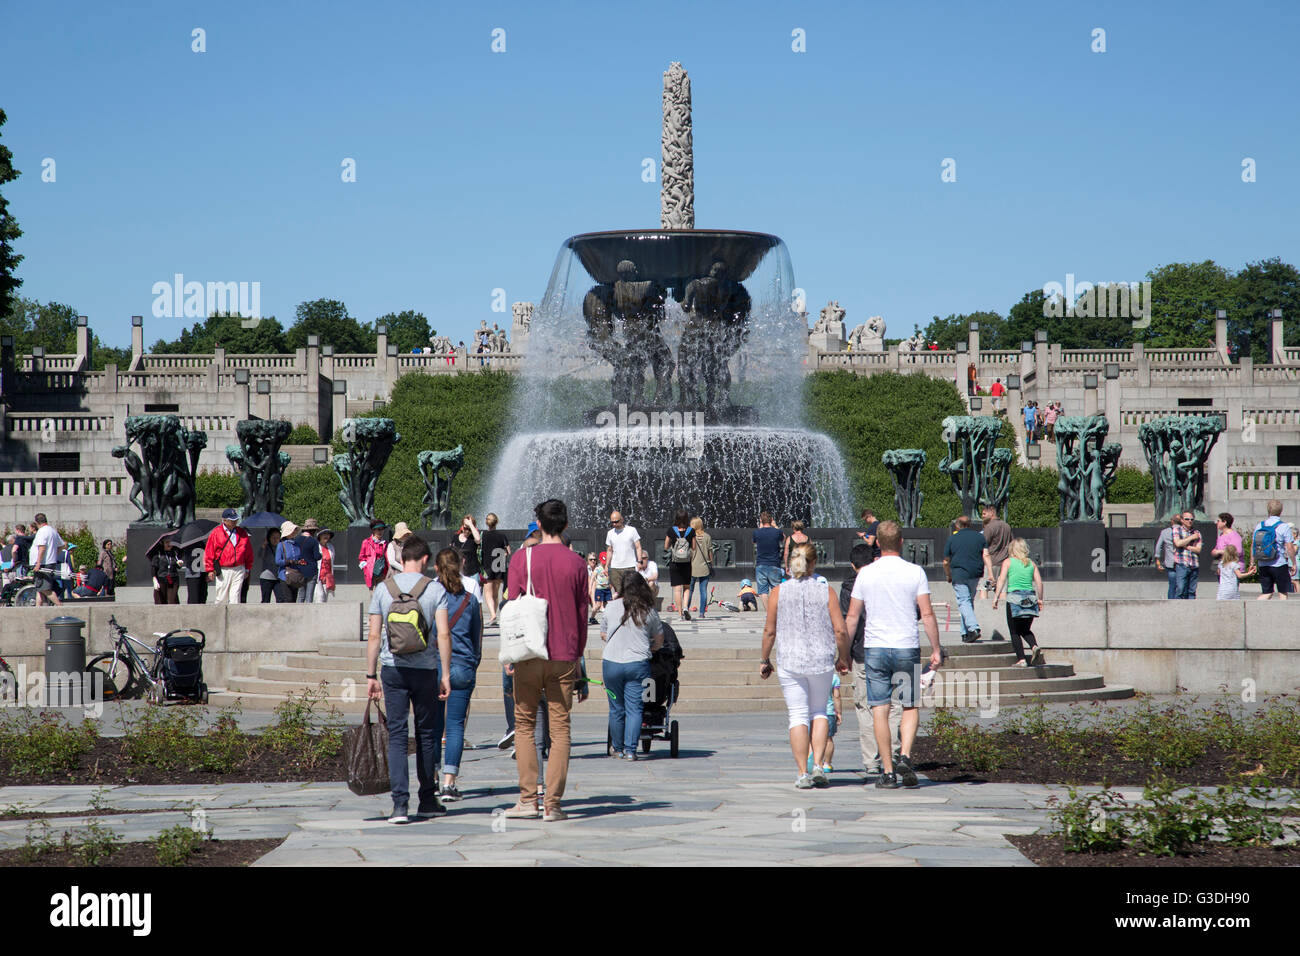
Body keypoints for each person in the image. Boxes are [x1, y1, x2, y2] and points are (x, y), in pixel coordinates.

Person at [503, 499, 589, 822]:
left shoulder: (521, 558)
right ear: (565, 526)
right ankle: (553, 804)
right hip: (564, 654)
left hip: (528, 652)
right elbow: (583, 615)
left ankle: (528, 799)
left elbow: (511, 606)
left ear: (538, 524)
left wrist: (508, 654)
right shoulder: (578, 564)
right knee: (561, 728)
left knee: (524, 724)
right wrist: (578, 655)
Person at [843, 521, 943, 790]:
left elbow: (852, 617)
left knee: (879, 708)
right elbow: (928, 614)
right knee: (909, 705)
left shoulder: (866, 574)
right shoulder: (915, 572)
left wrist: (842, 653)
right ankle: (906, 756)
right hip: (906, 646)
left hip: (874, 649)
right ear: (901, 542)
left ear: (878, 542)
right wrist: (936, 649)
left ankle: (887, 772)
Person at [366, 535, 451, 824]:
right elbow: (443, 634)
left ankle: (399, 806)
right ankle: (427, 800)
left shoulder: (382, 589)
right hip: (425, 671)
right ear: (425, 559)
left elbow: (375, 636)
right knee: (427, 735)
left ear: (401, 559)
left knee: (399, 736)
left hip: (393, 670)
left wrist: (370, 675)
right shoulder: (434, 589)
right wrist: (446, 674)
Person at [759, 541, 849, 789]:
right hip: (821, 660)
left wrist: (764, 659)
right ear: (814, 563)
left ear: (790, 564)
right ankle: (819, 765)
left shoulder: (778, 592)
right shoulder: (826, 591)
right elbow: (840, 630)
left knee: (797, 715)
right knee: (819, 711)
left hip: (790, 660)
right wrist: (843, 657)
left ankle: (802, 773)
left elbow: (769, 631)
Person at [840, 543, 901, 777]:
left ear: (852, 565)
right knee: (894, 704)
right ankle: (894, 754)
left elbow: (848, 621)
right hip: (893, 648)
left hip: (863, 653)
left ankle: (872, 760)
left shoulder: (848, 587)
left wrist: (843, 654)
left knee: (865, 707)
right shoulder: (888, 579)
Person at [600, 572, 663, 760]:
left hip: (611, 663)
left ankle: (617, 749)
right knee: (635, 708)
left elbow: (603, 634)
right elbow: (659, 640)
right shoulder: (649, 609)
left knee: (616, 709)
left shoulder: (610, 607)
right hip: (637, 663)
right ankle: (630, 750)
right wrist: (650, 647)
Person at [437, 548, 483, 802]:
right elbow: (478, 637)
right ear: (461, 565)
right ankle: (448, 783)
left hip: (434, 667)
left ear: (436, 568)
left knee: (432, 727)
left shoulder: (431, 597)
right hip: (463, 666)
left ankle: (431, 779)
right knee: (455, 727)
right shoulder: (470, 600)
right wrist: (473, 663)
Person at [993, 537, 1045, 666]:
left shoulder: (1008, 562)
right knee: (1025, 629)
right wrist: (1040, 599)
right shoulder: (1031, 563)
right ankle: (1034, 646)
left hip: (1014, 599)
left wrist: (996, 597)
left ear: (1012, 549)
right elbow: (1039, 582)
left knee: (1014, 631)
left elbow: (1001, 579)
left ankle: (1021, 659)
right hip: (1030, 598)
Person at [943, 515, 987, 642]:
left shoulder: (952, 539)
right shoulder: (980, 537)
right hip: (975, 574)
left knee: (963, 601)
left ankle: (974, 628)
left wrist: (948, 575)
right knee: (967, 602)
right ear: (970, 524)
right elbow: (986, 554)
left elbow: (946, 561)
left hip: (959, 574)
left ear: (957, 525)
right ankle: (965, 633)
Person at [1252, 499, 1298, 600]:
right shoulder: (1284, 526)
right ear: (1281, 511)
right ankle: (1283, 613)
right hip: (1279, 563)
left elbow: (1254, 545)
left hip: (1263, 563)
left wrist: (1252, 563)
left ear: (1268, 510)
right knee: (1282, 592)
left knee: (1267, 593)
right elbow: (1289, 547)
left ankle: (1254, 608)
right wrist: (1293, 563)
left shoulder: (1260, 525)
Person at [204, 508, 252, 604]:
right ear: (224, 520)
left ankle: (234, 618)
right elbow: (209, 552)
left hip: (239, 568)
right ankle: (219, 617)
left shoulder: (242, 533)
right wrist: (209, 570)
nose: (234, 522)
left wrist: (247, 568)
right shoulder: (216, 533)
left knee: (235, 596)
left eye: (235, 519)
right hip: (223, 569)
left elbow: (248, 552)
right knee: (221, 597)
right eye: (232, 520)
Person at [664, 508, 696, 620]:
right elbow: (694, 547)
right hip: (686, 563)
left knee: (677, 589)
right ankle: (686, 607)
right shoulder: (691, 531)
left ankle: (680, 614)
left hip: (675, 562)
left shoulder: (671, 530)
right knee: (687, 587)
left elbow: (666, 546)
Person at [980, 503, 1012, 608]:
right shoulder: (1007, 526)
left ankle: (983, 611)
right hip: (1004, 564)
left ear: (992, 511)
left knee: (984, 588)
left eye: (984, 513)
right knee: (1002, 589)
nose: (982, 516)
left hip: (991, 562)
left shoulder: (989, 527)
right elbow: (1011, 544)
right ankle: (1002, 611)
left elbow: (983, 545)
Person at [480, 513, 510, 626]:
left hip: (487, 564)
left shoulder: (483, 535)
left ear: (486, 522)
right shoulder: (502, 535)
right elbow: (508, 551)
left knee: (487, 592)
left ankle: (493, 614)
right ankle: (494, 614)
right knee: (495, 593)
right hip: (499, 565)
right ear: (496, 522)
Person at [807, 675, 842, 774]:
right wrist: (838, 712)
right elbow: (836, 696)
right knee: (828, 739)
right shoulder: (834, 677)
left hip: (813, 712)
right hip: (829, 712)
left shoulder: (810, 676)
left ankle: (814, 762)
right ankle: (827, 763)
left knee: (811, 738)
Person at [29, 513, 65, 607]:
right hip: (49, 562)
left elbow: (42, 548)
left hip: (43, 564)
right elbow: (62, 545)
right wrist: (54, 555)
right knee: (39, 588)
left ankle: (60, 606)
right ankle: (38, 608)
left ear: (37, 523)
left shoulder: (42, 532)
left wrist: (38, 563)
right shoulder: (52, 531)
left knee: (44, 588)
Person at [752, 511, 785, 611]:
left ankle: (768, 612)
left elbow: (753, 541)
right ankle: (776, 610)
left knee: (763, 591)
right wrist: (775, 526)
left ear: (761, 520)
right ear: (771, 520)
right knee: (776, 590)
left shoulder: (757, 532)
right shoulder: (777, 532)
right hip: (774, 563)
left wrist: (760, 528)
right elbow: (783, 538)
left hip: (761, 564)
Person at [605, 510, 643, 597]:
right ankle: (621, 610)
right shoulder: (610, 533)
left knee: (631, 591)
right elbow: (609, 550)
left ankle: (630, 609)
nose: (614, 524)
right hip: (615, 567)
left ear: (622, 519)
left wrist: (640, 561)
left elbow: (638, 546)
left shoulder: (631, 530)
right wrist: (607, 565)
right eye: (612, 522)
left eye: (616, 521)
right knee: (619, 592)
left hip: (630, 566)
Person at [274, 520, 310, 602]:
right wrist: (287, 561)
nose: (294, 532)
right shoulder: (281, 545)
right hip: (284, 576)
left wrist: (301, 562)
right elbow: (278, 561)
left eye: (294, 530)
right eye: (292, 530)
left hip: (296, 576)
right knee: (288, 599)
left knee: (294, 600)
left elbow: (299, 557)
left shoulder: (296, 544)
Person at [1171, 511, 1201, 599]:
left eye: (1192, 519)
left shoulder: (1197, 532)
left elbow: (1198, 549)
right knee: (1180, 589)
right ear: (1182, 520)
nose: (1189, 521)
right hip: (1181, 564)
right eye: (1187, 519)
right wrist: (1191, 538)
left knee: (1192, 590)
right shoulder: (1177, 530)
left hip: (1194, 564)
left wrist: (1186, 546)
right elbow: (1177, 543)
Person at [689, 516, 715, 619]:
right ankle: (701, 613)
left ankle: (686, 609)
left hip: (691, 567)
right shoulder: (707, 536)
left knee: (689, 590)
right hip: (704, 567)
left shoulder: (690, 537)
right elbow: (710, 552)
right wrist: (711, 563)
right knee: (703, 590)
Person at [1153, 514, 1183, 600]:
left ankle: (1171, 603)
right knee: (1182, 585)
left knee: (1172, 585)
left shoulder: (1164, 532)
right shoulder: (1184, 531)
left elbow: (1158, 547)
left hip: (1171, 562)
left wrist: (1158, 562)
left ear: (1171, 521)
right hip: (1183, 561)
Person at [295, 519, 323, 603]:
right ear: (313, 531)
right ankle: (308, 614)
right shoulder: (314, 542)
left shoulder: (296, 540)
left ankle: (299, 614)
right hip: (311, 570)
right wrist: (321, 555)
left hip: (300, 570)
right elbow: (317, 556)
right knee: (309, 596)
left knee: (301, 595)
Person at [151, 536, 182, 604]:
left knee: (172, 600)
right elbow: (154, 567)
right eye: (167, 542)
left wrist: (179, 564)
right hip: (161, 578)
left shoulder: (174, 553)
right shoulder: (158, 554)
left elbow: (177, 565)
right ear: (163, 543)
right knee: (160, 599)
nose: (169, 544)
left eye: (170, 542)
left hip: (172, 579)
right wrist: (155, 580)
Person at [359, 520, 389, 589]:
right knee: (372, 594)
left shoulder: (385, 543)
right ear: (373, 530)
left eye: (382, 529)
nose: (381, 531)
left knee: (381, 592)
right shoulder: (366, 542)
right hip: (371, 572)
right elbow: (361, 557)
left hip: (383, 572)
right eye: (378, 529)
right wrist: (365, 568)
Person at [259, 529, 287, 603]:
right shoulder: (266, 547)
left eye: (277, 538)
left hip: (278, 578)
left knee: (281, 599)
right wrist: (263, 546)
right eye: (273, 537)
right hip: (266, 577)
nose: (275, 540)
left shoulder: (281, 547)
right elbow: (260, 555)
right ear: (269, 538)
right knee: (266, 600)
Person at [455, 515, 482, 581]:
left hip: (472, 573)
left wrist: (470, 524)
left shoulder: (473, 538)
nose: (467, 531)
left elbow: (478, 539)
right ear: (462, 527)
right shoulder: (455, 537)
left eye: (469, 529)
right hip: (459, 573)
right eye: (465, 528)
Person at [588, 551, 611, 624]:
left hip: (607, 589)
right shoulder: (598, 569)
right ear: (600, 560)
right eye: (603, 561)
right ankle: (592, 617)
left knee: (609, 604)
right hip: (599, 589)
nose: (604, 563)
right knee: (598, 605)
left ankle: (608, 619)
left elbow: (611, 578)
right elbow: (592, 578)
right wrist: (590, 587)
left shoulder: (608, 568)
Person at [314, 528, 336, 603]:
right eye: (324, 534)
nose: (326, 536)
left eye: (328, 534)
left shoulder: (331, 547)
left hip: (327, 577)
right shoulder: (316, 546)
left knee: (325, 598)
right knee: (320, 597)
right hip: (318, 576)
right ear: (319, 536)